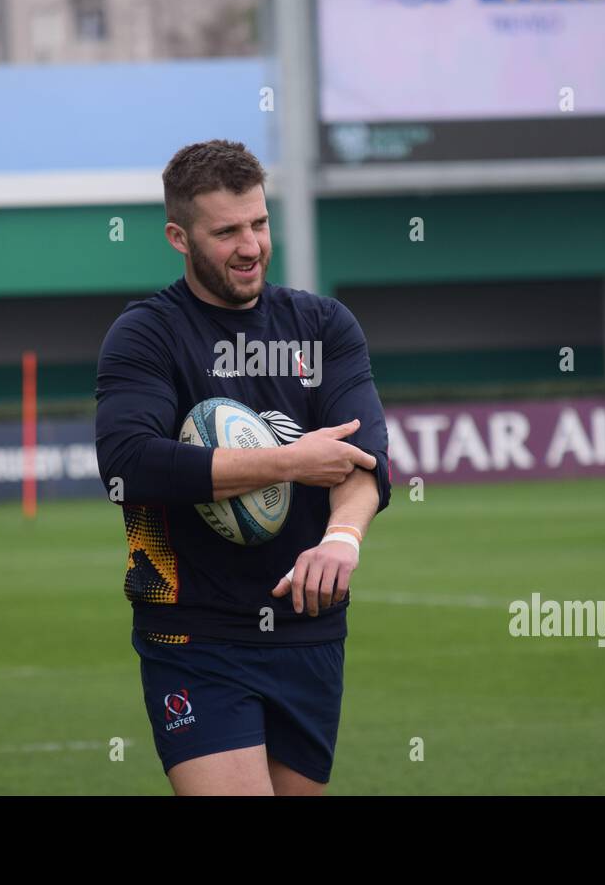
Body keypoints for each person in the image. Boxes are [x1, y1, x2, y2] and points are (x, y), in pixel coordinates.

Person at [94, 140, 391, 795]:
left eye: (258, 223)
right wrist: (289, 461)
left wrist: (343, 537)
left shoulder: (324, 326)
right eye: (226, 231)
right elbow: (128, 464)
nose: (251, 245)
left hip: (309, 629)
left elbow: (364, 458)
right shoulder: (148, 333)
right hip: (192, 633)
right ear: (179, 236)